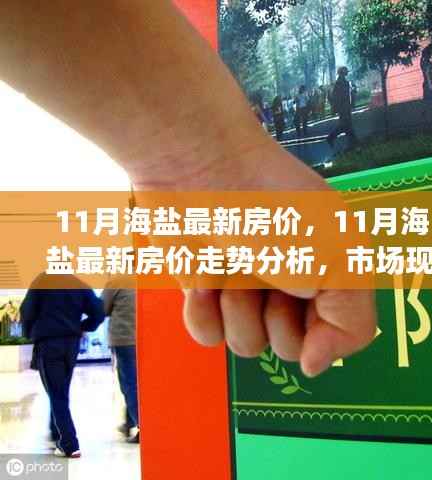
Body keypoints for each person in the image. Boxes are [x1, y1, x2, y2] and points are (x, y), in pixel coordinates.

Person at [1, 1, 376, 378]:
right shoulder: (78, 282)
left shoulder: (48, 284)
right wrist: (200, 160)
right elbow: (94, 310)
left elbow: (60, 313)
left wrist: (199, 161)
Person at [20, 274, 105, 458]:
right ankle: (56, 430)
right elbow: (99, 311)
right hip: (71, 344)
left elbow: (27, 311)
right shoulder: (77, 283)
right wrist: (82, 326)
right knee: (60, 389)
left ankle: (69, 444)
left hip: (49, 343)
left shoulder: (41, 282)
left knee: (57, 392)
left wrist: (28, 333)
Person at [102, 281, 139, 444]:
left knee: (129, 384)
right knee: (138, 383)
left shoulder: (117, 281)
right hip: (145, 337)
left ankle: (142, 426)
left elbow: (101, 308)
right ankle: (129, 422)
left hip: (125, 339)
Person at [327, 66, 358, 150]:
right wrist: (337, 108)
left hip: (346, 107)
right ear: (342, 73)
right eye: (345, 71)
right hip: (342, 108)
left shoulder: (345, 82)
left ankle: (352, 143)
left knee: (345, 126)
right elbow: (335, 97)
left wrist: (351, 102)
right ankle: (354, 143)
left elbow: (348, 94)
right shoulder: (338, 83)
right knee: (346, 125)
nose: (347, 73)